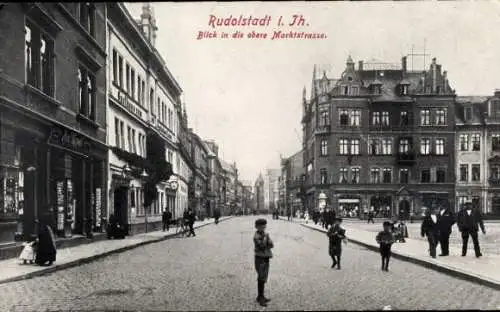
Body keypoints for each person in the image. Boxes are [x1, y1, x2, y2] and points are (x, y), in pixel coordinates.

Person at [253, 218, 274, 307]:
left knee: (264, 277)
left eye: (264, 226)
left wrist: (267, 240)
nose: (263, 228)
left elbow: (271, 245)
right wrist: (266, 239)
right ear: (257, 227)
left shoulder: (265, 234)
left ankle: (261, 296)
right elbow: (261, 246)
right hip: (260, 258)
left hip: (266, 257)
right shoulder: (256, 236)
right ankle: (260, 297)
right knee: (261, 277)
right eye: (261, 226)